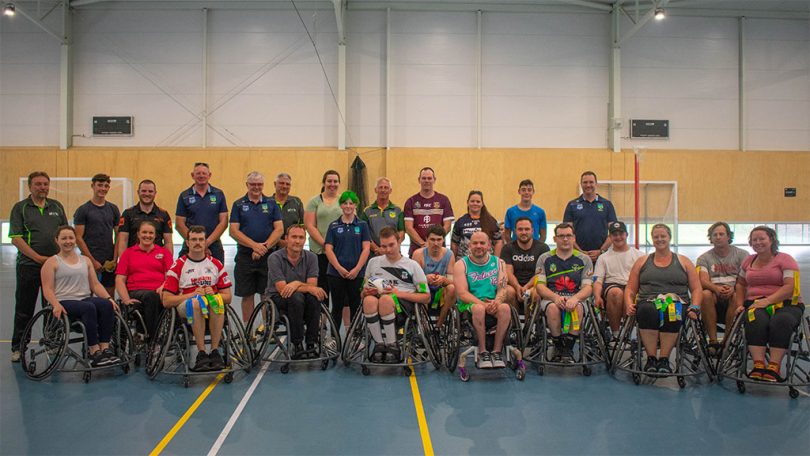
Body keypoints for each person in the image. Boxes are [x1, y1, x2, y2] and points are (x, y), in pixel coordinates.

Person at [625, 224, 702, 374]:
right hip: (648, 301)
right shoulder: (642, 261)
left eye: (663, 236)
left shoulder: (684, 261)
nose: (659, 239)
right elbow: (630, 288)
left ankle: (665, 359)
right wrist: (629, 303)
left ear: (669, 238)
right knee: (647, 310)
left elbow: (697, 288)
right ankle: (652, 358)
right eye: (656, 237)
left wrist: (695, 306)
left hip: (677, 302)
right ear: (652, 240)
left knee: (671, 310)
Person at [41, 226, 121, 367]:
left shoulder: (85, 260)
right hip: (64, 300)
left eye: (71, 238)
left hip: (83, 298)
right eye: (64, 238)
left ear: (75, 240)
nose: (68, 241)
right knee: (88, 307)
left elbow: (95, 285)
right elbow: (47, 289)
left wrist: (109, 299)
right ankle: (93, 351)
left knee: (106, 305)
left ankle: (105, 349)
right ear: (57, 240)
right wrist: (55, 304)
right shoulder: (52, 262)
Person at [9, 171, 68, 363]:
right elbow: (16, 239)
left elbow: (64, 233)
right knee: (24, 308)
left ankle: (53, 344)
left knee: (53, 306)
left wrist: (60, 259)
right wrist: (38, 258)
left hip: (54, 268)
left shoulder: (57, 206)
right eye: (38, 184)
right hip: (29, 267)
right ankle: (18, 347)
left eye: (45, 184)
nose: (42, 187)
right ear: (30, 186)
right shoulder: (21, 208)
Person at [734, 226, 804, 382]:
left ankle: (774, 366)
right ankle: (758, 364)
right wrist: (740, 304)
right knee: (755, 320)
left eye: (762, 239)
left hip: (786, 304)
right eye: (754, 240)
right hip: (756, 303)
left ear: (771, 240)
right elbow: (740, 284)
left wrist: (767, 301)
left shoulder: (786, 259)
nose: (758, 242)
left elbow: (789, 287)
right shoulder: (748, 261)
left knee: (781, 321)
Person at [162, 226, 233, 372]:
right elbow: (167, 300)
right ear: (187, 243)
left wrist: (214, 295)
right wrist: (191, 294)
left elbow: (228, 297)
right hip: (186, 304)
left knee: (217, 301)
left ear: (205, 242)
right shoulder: (178, 266)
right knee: (195, 303)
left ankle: (214, 352)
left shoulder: (216, 264)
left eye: (201, 239)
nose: (197, 243)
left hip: (211, 304)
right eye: (193, 239)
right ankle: (201, 353)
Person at [362, 227, 431, 363]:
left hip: (403, 308)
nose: (387, 250)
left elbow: (426, 297)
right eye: (383, 246)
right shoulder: (373, 263)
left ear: (399, 241)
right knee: (368, 300)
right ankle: (379, 345)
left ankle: (392, 346)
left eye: (391, 245)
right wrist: (365, 292)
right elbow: (362, 292)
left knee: (386, 300)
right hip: (377, 305)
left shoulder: (412, 265)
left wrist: (398, 293)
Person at [229, 171, 283, 323]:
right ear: (247, 185)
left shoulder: (271, 203)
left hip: (268, 257)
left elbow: (279, 229)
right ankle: (249, 331)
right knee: (247, 295)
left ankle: (267, 329)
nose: (256, 187)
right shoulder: (238, 204)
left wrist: (263, 248)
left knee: (266, 295)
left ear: (263, 185)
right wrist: (254, 246)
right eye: (253, 184)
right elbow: (233, 231)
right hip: (245, 257)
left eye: (259, 184)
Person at [534, 223, 594, 361]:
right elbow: (540, 287)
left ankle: (568, 348)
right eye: (561, 236)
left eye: (568, 236)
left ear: (574, 238)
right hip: (551, 297)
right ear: (555, 239)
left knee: (578, 307)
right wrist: (555, 297)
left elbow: (588, 287)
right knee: (553, 308)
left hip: (576, 297)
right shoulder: (545, 258)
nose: (565, 239)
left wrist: (576, 298)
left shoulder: (584, 259)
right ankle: (558, 345)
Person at [267, 225, 327, 359]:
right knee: (296, 298)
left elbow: (313, 286)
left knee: (314, 298)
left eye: (301, 237)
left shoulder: (312, 257)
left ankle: (311, 344)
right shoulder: (274, 258)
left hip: (303, 299)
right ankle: (297, 343)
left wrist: (296, 283)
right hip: (279, 299)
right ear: (286, 239)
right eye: (294, 237)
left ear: (305, 240)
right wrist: (301, 286)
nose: (298, 241)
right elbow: (282, 289)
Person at [454, 231, 513, 369]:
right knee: (479, 309)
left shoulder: (499, 263)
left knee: (505, 308)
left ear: (489, 245)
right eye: (475, 243)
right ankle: (482, 351)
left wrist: (497, 302)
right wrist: (484, 305)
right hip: (470, 305)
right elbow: (462, 293)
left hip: (493, 302)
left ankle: (497, 351)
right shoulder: (461, 264)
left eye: (482, 243)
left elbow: (503, 287)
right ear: (469, 246)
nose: (478, 246)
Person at [115, 221, 173, 344]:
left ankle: (148, 334)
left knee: (170, 298)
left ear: (155, 235)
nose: (147, 235)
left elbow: (171, 276)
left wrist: (164, 286)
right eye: (144, 232)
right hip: (136, 292)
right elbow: (120, 279)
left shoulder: (164, 253)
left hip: (160, 292)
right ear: (138, 234)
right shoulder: (128, 253)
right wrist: (125, 300)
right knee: (151, 297)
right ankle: (153, 339)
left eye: (151, 233)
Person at [696, 221, 749, 355]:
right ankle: (713, 341)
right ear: (711, 238)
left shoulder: (742, 255)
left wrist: (734, 289)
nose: (718, 237)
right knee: (706, 294)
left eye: (721, 234)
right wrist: (716, 289)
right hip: (714, 297)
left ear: (728, 236)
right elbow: (702, 280)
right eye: (715, 235)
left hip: (734, 295)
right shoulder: (704, 258)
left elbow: (746, 279)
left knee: (736, 296)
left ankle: (726, 341)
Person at [324, 191, 371, 329]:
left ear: (355, 205)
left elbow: (366, 249)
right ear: (341, 205)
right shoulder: (333, 226)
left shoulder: (362, 225)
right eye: (345, 203)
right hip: (335, 273)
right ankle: (334, 338)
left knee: (356, 307)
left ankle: (355, 338)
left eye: (351, 203)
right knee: (337, 307)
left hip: (357, 274)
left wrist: (357, 269)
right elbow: (328, 249)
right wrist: (339, 268)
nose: (348, 206)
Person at [592, 221, 645, 339]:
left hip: (632, 286)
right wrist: (597, 297)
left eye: (621, 234)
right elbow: (598, 281)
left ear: (626, 235)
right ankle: (616, 334)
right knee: (616, 293)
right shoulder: (603, 258)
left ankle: (627, 333)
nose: (618, 237)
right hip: (612, 286)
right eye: (614, 234)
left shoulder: (639, 255)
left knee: (628, 294)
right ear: (610, 237)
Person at [74, 173, 121, 297]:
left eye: (106, 186)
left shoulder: (113, 209)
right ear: (93, 186)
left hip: (108, 260)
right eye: (100, 185)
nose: (103, 188)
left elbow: (119, 235)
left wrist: (115, 259)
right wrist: (92, 260)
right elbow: (78, 238)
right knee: (86, 294)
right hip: (89, 259)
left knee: (108, 297)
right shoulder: (83, 210)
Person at [175, 162, 228, 263]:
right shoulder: (184, 195)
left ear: (209, 175)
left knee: (217, 276)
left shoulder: (219, 194)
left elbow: (224, 222)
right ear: (192, 175)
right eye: (198, 173)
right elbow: (179, 224)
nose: (201, 176)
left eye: (204, 173)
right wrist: (195, 242)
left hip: (214, 245)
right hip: (190, 246)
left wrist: (205, 243)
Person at [563, 171, 618, 264]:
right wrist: (580, 252)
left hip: (602, 257)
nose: (588, 185)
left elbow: (614, 232)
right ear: (581, 184)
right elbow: (566, 233)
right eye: (585, 182)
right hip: (577, 257)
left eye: (591, 182)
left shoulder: (607, 204)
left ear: (596, 184)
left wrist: (601, 251)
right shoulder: (572, 205)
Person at [500, 217, 549, 315]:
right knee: (508, 292)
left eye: (527, 229)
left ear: (532, 230)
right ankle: (515, 325)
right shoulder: (507, 248)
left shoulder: (543, 248)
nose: (523, 232)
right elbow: (508, 272)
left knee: (536, 293)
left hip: (534, 285)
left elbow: (541, 273)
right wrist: (517, 287)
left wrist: (527, 287)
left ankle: (530, 326)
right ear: (515, 231)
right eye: (520, 229)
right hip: (514, 285)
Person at [304, 170, 343, 293]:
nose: (332, 184)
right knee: (321, 289)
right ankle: (321, 313)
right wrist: (326, 245)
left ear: (339, 183)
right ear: (324, 182)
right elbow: (310, 226)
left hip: (340, 252)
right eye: (329, 181)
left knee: (339, 290)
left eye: (335, 181)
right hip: (319, 252)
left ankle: (337, 313)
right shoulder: (314, 201)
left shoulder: (345, 200)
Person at [404, 167, 454, 257]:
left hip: (439, 251)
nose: (426, 181)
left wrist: (435, 242)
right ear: (419, 180)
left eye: (429, 178)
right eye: (424, 178)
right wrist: (423, 244)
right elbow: (408, 228)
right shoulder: (411, 201)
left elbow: (448, 226)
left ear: (434, 180)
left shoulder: (443, 200)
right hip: (417, 251)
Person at [412, 225, 456, 328]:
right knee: (421, 287)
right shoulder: (418, 254)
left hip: (440, 292)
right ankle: (425, 326)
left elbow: (452, 280)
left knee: (452, 288)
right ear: (426, 239)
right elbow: (412, 280)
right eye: (432, 239)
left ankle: (439, 325)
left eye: (439, 240)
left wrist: (443, 279)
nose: (436, 243)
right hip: (423, 289)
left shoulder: (449, 254)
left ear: (443, 240)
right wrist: (425, 278)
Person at [116, 179, 174, 256]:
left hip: (156, 261)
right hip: (134, 259)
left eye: (150, 191)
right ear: (138, 192)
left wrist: (168, 262)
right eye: (143, 191)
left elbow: (168, 242)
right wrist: (123, 262)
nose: (147, 194)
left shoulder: (163, 214)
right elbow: (123, 240)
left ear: (155, 193)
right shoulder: (128, 214)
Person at [360, 177, 405, 256]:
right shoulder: (366, 211)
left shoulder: (398, 211)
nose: (383, 190)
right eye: (380, 187)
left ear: (390, 190)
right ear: (375, 190)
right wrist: (377, 249)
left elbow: (402, 232)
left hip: (394, 254)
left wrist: (392, 247)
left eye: (386, 187)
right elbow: (364, 234)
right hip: (373, 254)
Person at [452, 190, 503, 258]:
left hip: (486, 263)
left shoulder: (491, 221)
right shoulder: (460, 222)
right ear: (467, 203)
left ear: (482, 204)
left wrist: (496, 260)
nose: (475, 203)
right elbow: (454, 243)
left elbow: (498, 242)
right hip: (465, 262)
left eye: (478, 201)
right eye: (472, 201)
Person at [503, 179, 547, 244]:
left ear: (533, 192)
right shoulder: (510, 212)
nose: (526, 192)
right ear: (519, 191)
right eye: (523, 190)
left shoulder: (540, 212)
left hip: (534, 250)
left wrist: (538, 248)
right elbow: (507, 235)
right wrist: (512, 248)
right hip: (516, 250)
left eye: (529, 190)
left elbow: (543, 235)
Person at [270, 172, 305, 251]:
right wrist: (278, 241)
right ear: (275, 184)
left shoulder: (297, 202)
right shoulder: (267, 203)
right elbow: (264, 228)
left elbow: (302, 226)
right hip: (270, 248)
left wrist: (292, 241)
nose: (284, 186)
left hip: (292, 248)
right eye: (281, 183)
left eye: (287, 184)